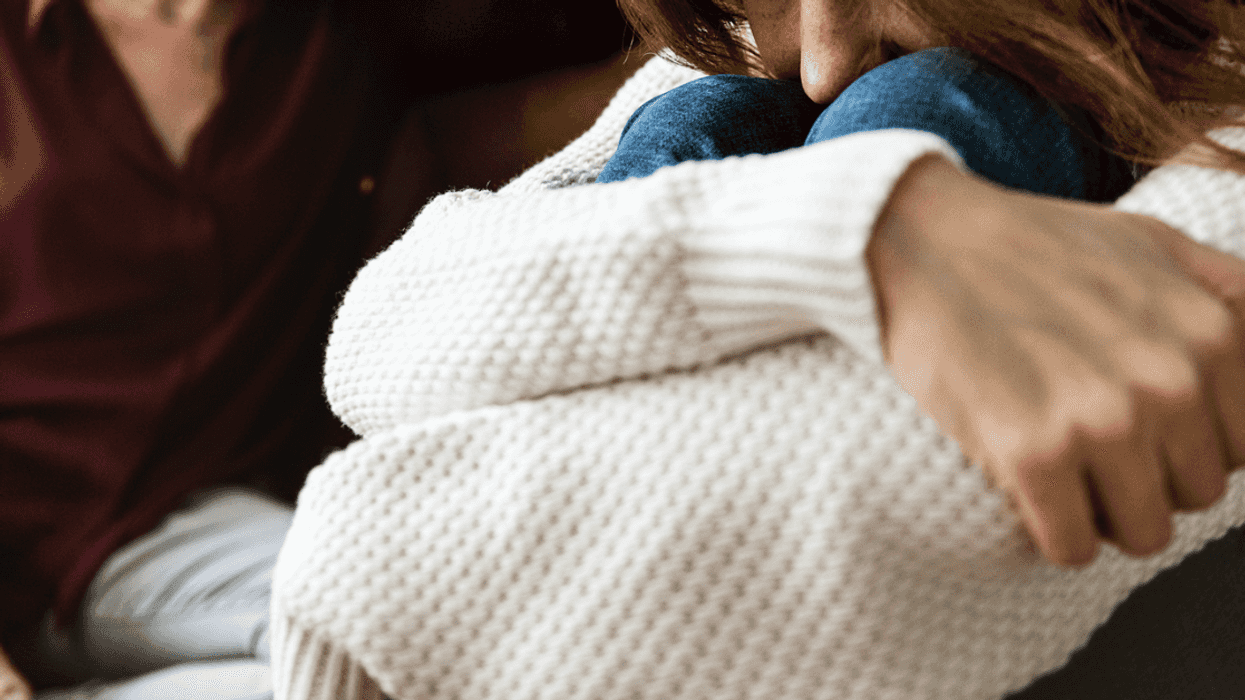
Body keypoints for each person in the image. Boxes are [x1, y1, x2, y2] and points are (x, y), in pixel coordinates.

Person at [267, 0, 1245, 699]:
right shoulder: (753, 61)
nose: (816, 62)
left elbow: (376, 555)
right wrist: (861, 222)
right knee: (713, 111)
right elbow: (387, 319)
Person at [0, 1, 638, 698]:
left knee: (373, 655)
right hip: (31, 535)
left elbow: (628, 56)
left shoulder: (348, 36)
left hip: (215, 521)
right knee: (410, 624)